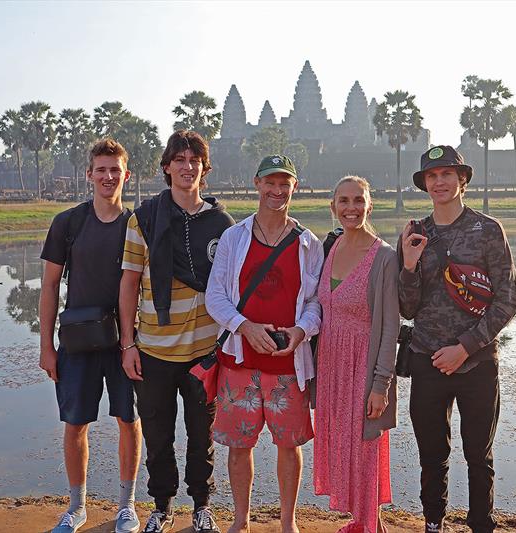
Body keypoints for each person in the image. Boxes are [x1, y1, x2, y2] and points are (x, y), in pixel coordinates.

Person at [398, 145, 516, 533]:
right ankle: (434, 522)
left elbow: (507, 300)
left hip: (477, 363)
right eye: (432, 176)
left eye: (447, 174)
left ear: (462, 180)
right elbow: (408, 308)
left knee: (478, 455)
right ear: (425, 185)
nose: (440, 182)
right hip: (427, 360)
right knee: (432, 455)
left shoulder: (487, 230)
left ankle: (481, 524)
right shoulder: (418, 233)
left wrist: (465, 346)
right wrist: (410, 264)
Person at [119, 130, 234, 533]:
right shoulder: (144, 219)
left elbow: (234, 286)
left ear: (205, 169)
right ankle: (162, 506)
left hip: (205, 351)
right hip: (152, 348)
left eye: (195, 161)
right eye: (179, 160)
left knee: (202, 437)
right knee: (157, 434)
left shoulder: (221, 224)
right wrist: (128, 343)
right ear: (166, 167)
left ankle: (201, 505)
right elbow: (129, 284)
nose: (187, 167)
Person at [205, 155, 322, 533]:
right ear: (256, 184)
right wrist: (245, 327)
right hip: (239, 361)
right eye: (270, 183)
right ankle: (242, 519)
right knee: (240, 445)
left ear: (294, 187)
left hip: (288, 363)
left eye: (284, 183)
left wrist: (301, 331)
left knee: (289, 445)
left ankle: (288, 522)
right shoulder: (234, 237)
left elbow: (315, 302)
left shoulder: (308, 244)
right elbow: (215, 297)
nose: (276, 190)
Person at [39, 138, 142, 533]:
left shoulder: (136, 225)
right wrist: (46, 345)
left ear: (126, 175)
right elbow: (49, 286)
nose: (108, 176)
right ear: (89, 175)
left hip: (124, 343)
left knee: (127, 419)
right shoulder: (68, 223)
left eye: (115, 169)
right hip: (77, 343)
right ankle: (77, 505)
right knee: (75, 423)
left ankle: (126, 505)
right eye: (101, 169)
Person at [313, 176, 399, 533]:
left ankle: (367, 524)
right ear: (333, 206)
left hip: (363, 367)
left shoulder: (384, 258)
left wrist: (380, 385)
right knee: (344, 447)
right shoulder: (330, 247)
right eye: (344, 201)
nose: (351, 208)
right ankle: (365, 521)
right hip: (331, 365)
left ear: (369, 204)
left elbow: (390, 327)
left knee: (365, 447)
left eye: (358, 200)